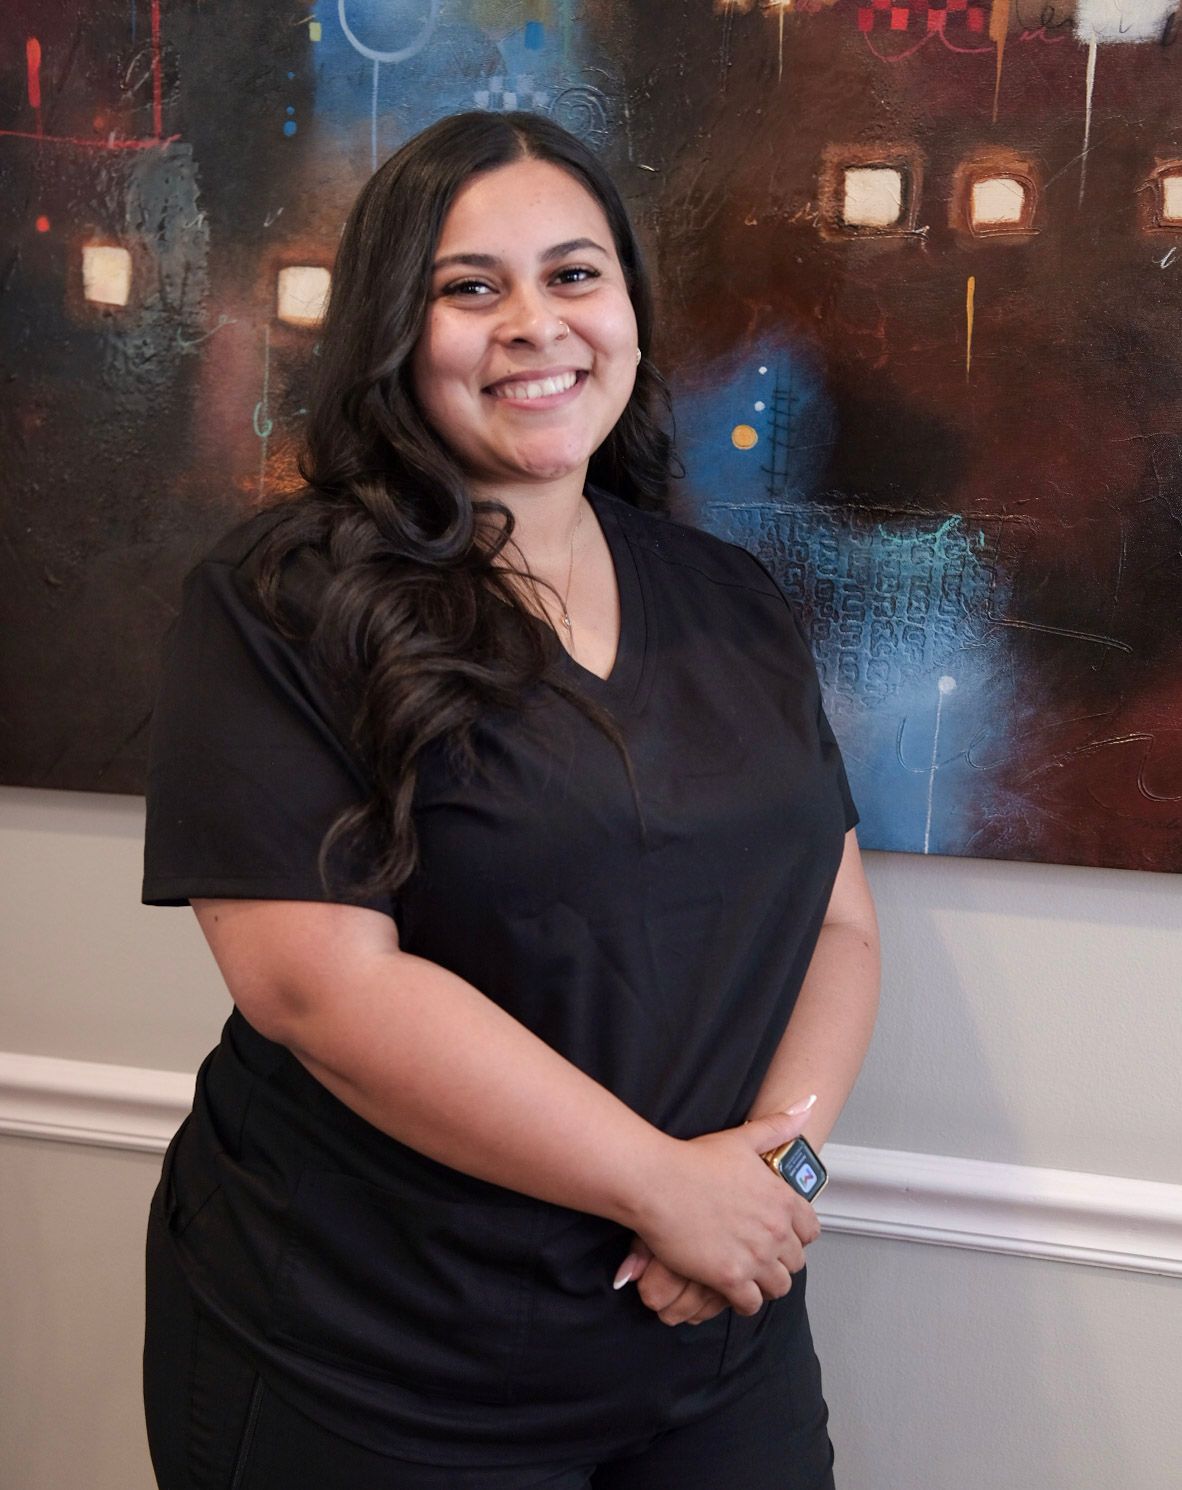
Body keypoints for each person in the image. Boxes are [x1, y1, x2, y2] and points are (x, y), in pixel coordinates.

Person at [140, 110, 880, 1490]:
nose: (536, 324)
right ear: (391, 331)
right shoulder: (278, 602)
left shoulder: (731, 598)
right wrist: (669, 1188)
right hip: (372, 1362)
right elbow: (316, 990)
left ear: (631, 312)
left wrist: (776, 1186)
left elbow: (835, 927)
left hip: (706, 1325)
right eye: (470, 288)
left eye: (573, 274)